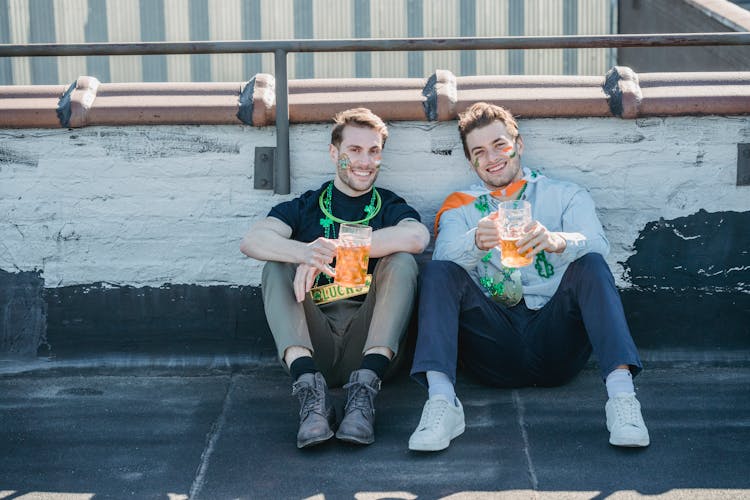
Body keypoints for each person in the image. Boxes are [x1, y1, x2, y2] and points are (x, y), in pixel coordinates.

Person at [407, 102, 649, 452]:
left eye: (499, 145)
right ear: (470, 161)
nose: (492, 157)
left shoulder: (565, 194)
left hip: (556, 340)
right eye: (479, 152)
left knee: (592, 263)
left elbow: (598, 242)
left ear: (518, 144)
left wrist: (556, 240)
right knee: (439, 270)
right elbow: (444, 257)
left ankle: (623, 401)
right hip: (493, 344)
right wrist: (475, 241)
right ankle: (442, 403)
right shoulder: (461, 205)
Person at [241, 107, 430, 448]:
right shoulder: (307, 206)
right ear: (334, 153)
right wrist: (304, 253)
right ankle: (312, 400)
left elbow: (417, 238)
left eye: (374, 151)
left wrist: (338, 246)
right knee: (274, 264)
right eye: (354, 150)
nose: (364, 161)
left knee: (402, 261)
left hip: (370, 344)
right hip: (316, 345)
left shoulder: (388, 205)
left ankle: (363, 397)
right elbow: (252, 241)